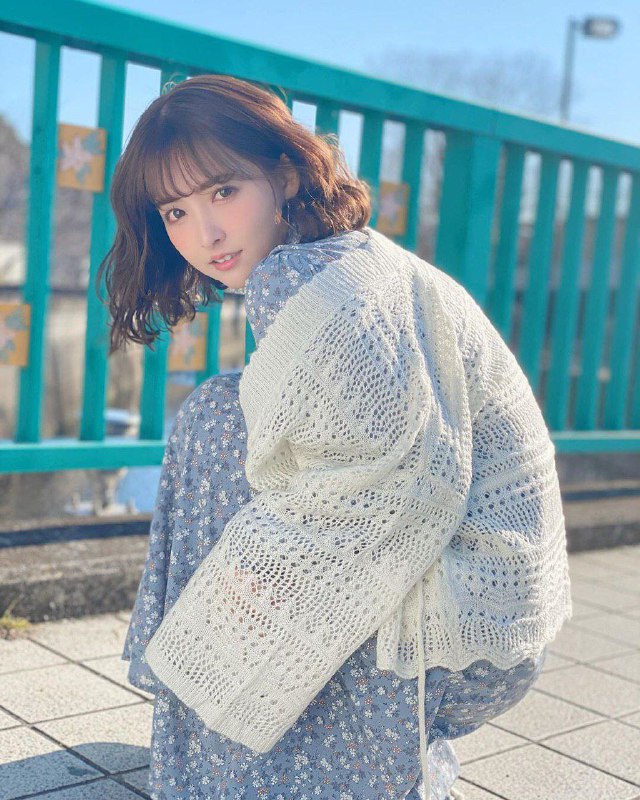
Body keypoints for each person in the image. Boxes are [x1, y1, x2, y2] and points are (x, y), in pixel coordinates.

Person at [100, 74, 572, 800]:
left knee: (214, 421)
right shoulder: (353, 259)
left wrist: (244, 599)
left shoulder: (301, 281)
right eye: (176, 211)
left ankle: (227, 766)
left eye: (224, 191)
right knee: (230, 408)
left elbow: (406, 488)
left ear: (286, 175)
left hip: (450, 635)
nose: (205, 234)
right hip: (506, 615)